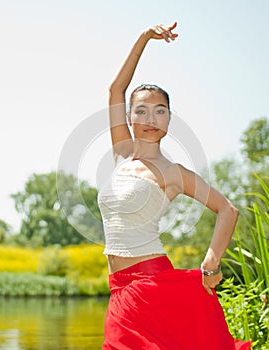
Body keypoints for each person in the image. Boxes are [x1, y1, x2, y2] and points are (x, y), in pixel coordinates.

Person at [97, 21, 252, 350]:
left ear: (169, 119)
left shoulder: (174, 173)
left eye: (160, 111)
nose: (151, 119)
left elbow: (227, 209)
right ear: (130, 117)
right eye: (141, 111)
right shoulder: (122, 155)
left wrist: (211, 262)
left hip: (149, 282)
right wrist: (143, 38)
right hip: (118, 286)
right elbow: (115, 90)